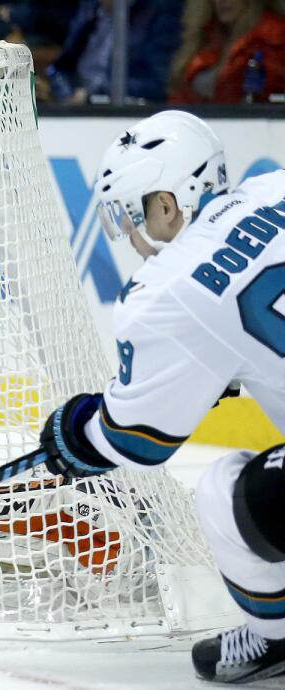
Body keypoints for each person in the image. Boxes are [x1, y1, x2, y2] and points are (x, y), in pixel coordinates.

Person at [34, 110, 285, 683]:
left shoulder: (168, 288)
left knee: (223, 494)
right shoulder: (275, 187)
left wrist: (76, 434)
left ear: (169, 204)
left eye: (136, 214)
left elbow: (136, 441)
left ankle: (278, 634)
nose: (138, 235)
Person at [43, 0, 181, 105]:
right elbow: (62, 68)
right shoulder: (91, 8)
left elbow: (158, 86)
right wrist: (64, 92)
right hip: (75, 106)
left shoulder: (158, 12)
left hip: (123, 114)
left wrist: (93, 94)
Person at [169, 0, 285, 104]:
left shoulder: (271, 38)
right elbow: (180, 96)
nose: (222, 1)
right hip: (197, 124)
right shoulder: (204, 36)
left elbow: (269, 101)